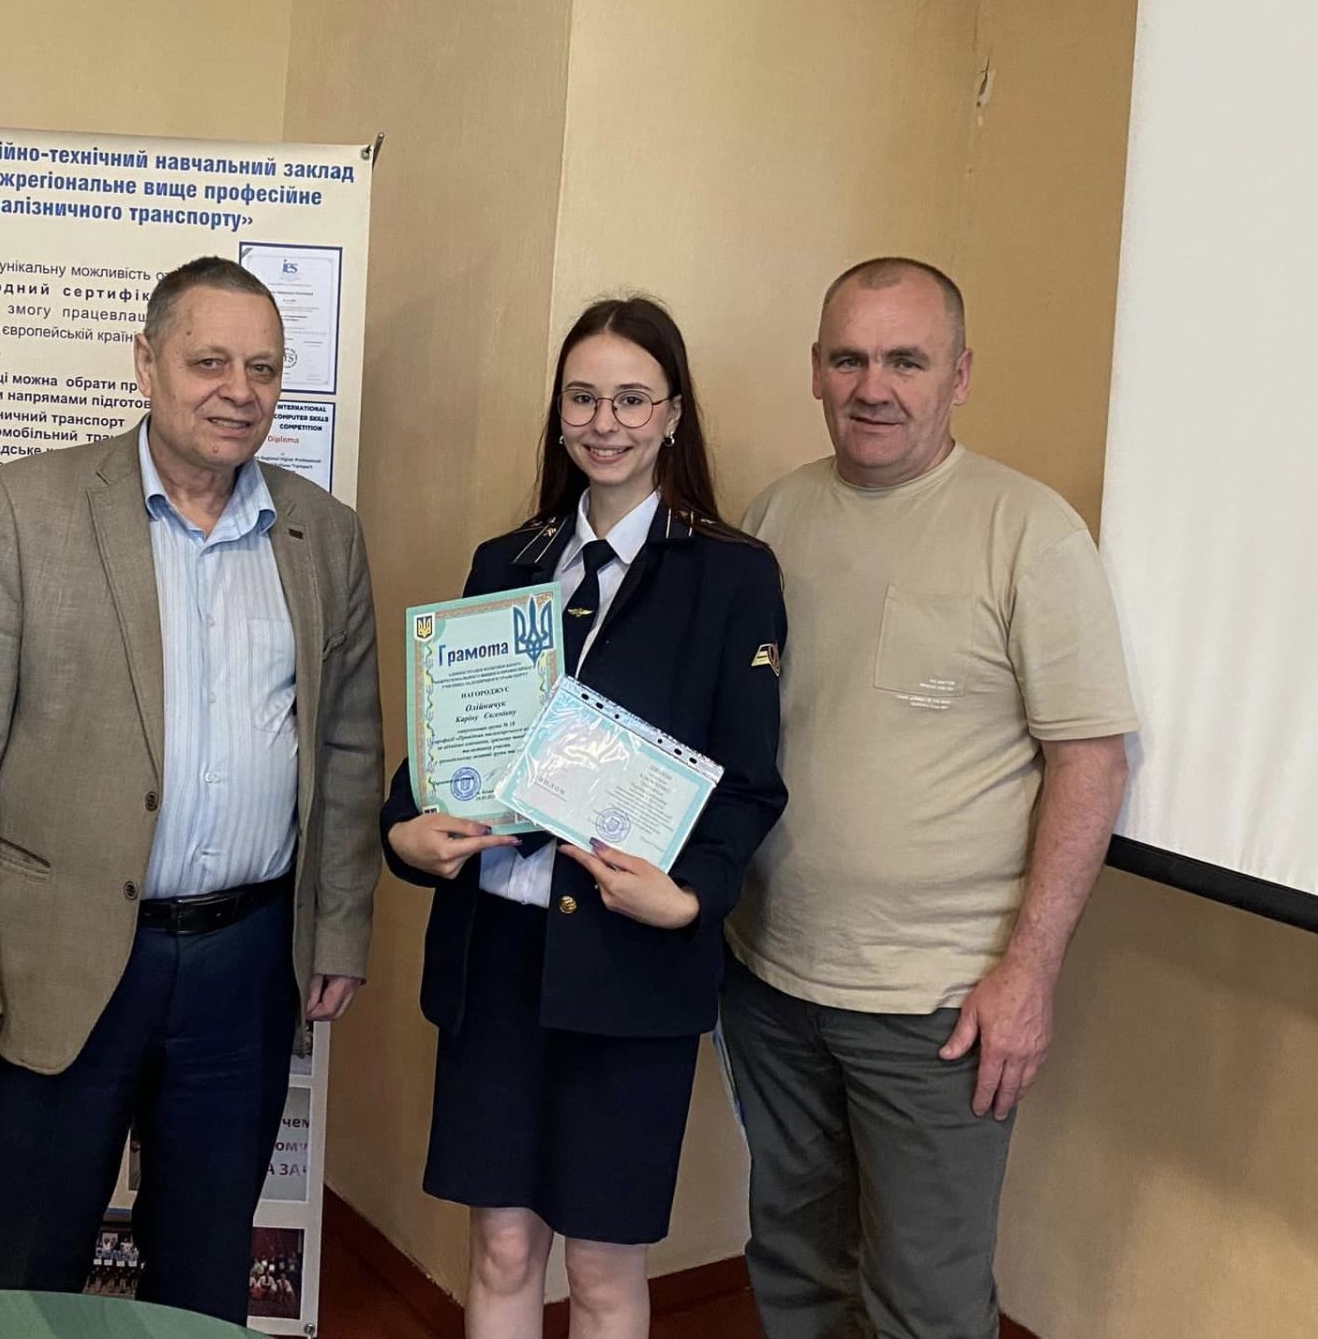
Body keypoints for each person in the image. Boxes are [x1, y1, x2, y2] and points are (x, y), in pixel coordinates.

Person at [0, 256, 384, 1324]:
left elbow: (349, 749)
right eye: (209, 362)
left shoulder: (324, 535)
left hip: (246, 965)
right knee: (27, 1268)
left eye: (263, 368)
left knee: (204, 1268)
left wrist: (339, 926)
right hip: (60, 961)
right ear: (146, 364)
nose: (238, 391)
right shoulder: (21, 510)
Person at [722, 257, 1135, 1339]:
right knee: (796, 1269)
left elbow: (1091, 762)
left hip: (939, 1007)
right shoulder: (774, 517)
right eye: (849, 359)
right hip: (769, 978)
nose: (874, 387)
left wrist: (1028, 972)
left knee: (927, 1305)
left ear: (960, 374)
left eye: (906, 360)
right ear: (815, 369)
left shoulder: (1029, 531)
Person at [381, 296, 787, 1339]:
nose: (606, 422)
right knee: (503, 1250)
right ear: (558, 412)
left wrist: (690, 898)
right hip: (497, 958)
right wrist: (405, 833)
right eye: (583, 397)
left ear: (674, 414)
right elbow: (449, 746)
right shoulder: (505, 561)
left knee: (603, 1271)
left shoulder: (733, 576)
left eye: (632, 399)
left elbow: (750, 783)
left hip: (628, 963)